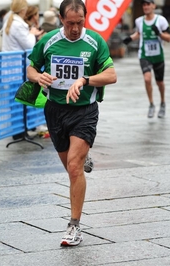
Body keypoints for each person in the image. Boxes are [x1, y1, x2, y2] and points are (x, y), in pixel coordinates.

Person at [26, 0, 117, 246]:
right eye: (70, 23)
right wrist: (39, 76)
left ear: (85, 19)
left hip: (84, 111)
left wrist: (84, 80)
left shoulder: (95, 42)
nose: (75, 29)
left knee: (74, 169)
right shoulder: (48, 40)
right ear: (61, 19)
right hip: (55, 111)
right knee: (70, 166)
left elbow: (111, 75)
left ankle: (74, 226)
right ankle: (83, 156)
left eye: (79, 23)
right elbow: (31, 69)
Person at [123, 0, 170, 118]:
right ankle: (151, 104)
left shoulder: (161, 20)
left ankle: (163, 103)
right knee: (147, 79)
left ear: (154, 6)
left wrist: (159, 33)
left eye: (148, 4)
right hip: (144, 55)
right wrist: (129, 39)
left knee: (160, 82)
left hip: (158, 56)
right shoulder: (139, 21)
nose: (145, 7)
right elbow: (139, 33)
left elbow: (169, 38)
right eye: (144, 5)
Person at [2, 0, 43, 141]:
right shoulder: (17, 24)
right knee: (19, 100)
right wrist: (32, 33)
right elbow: (29, 44)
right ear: (22, 9)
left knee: (16, 99)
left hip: (12, 68)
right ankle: (20, 132)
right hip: (17, 68)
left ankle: (20, 130)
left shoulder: (10, 21)